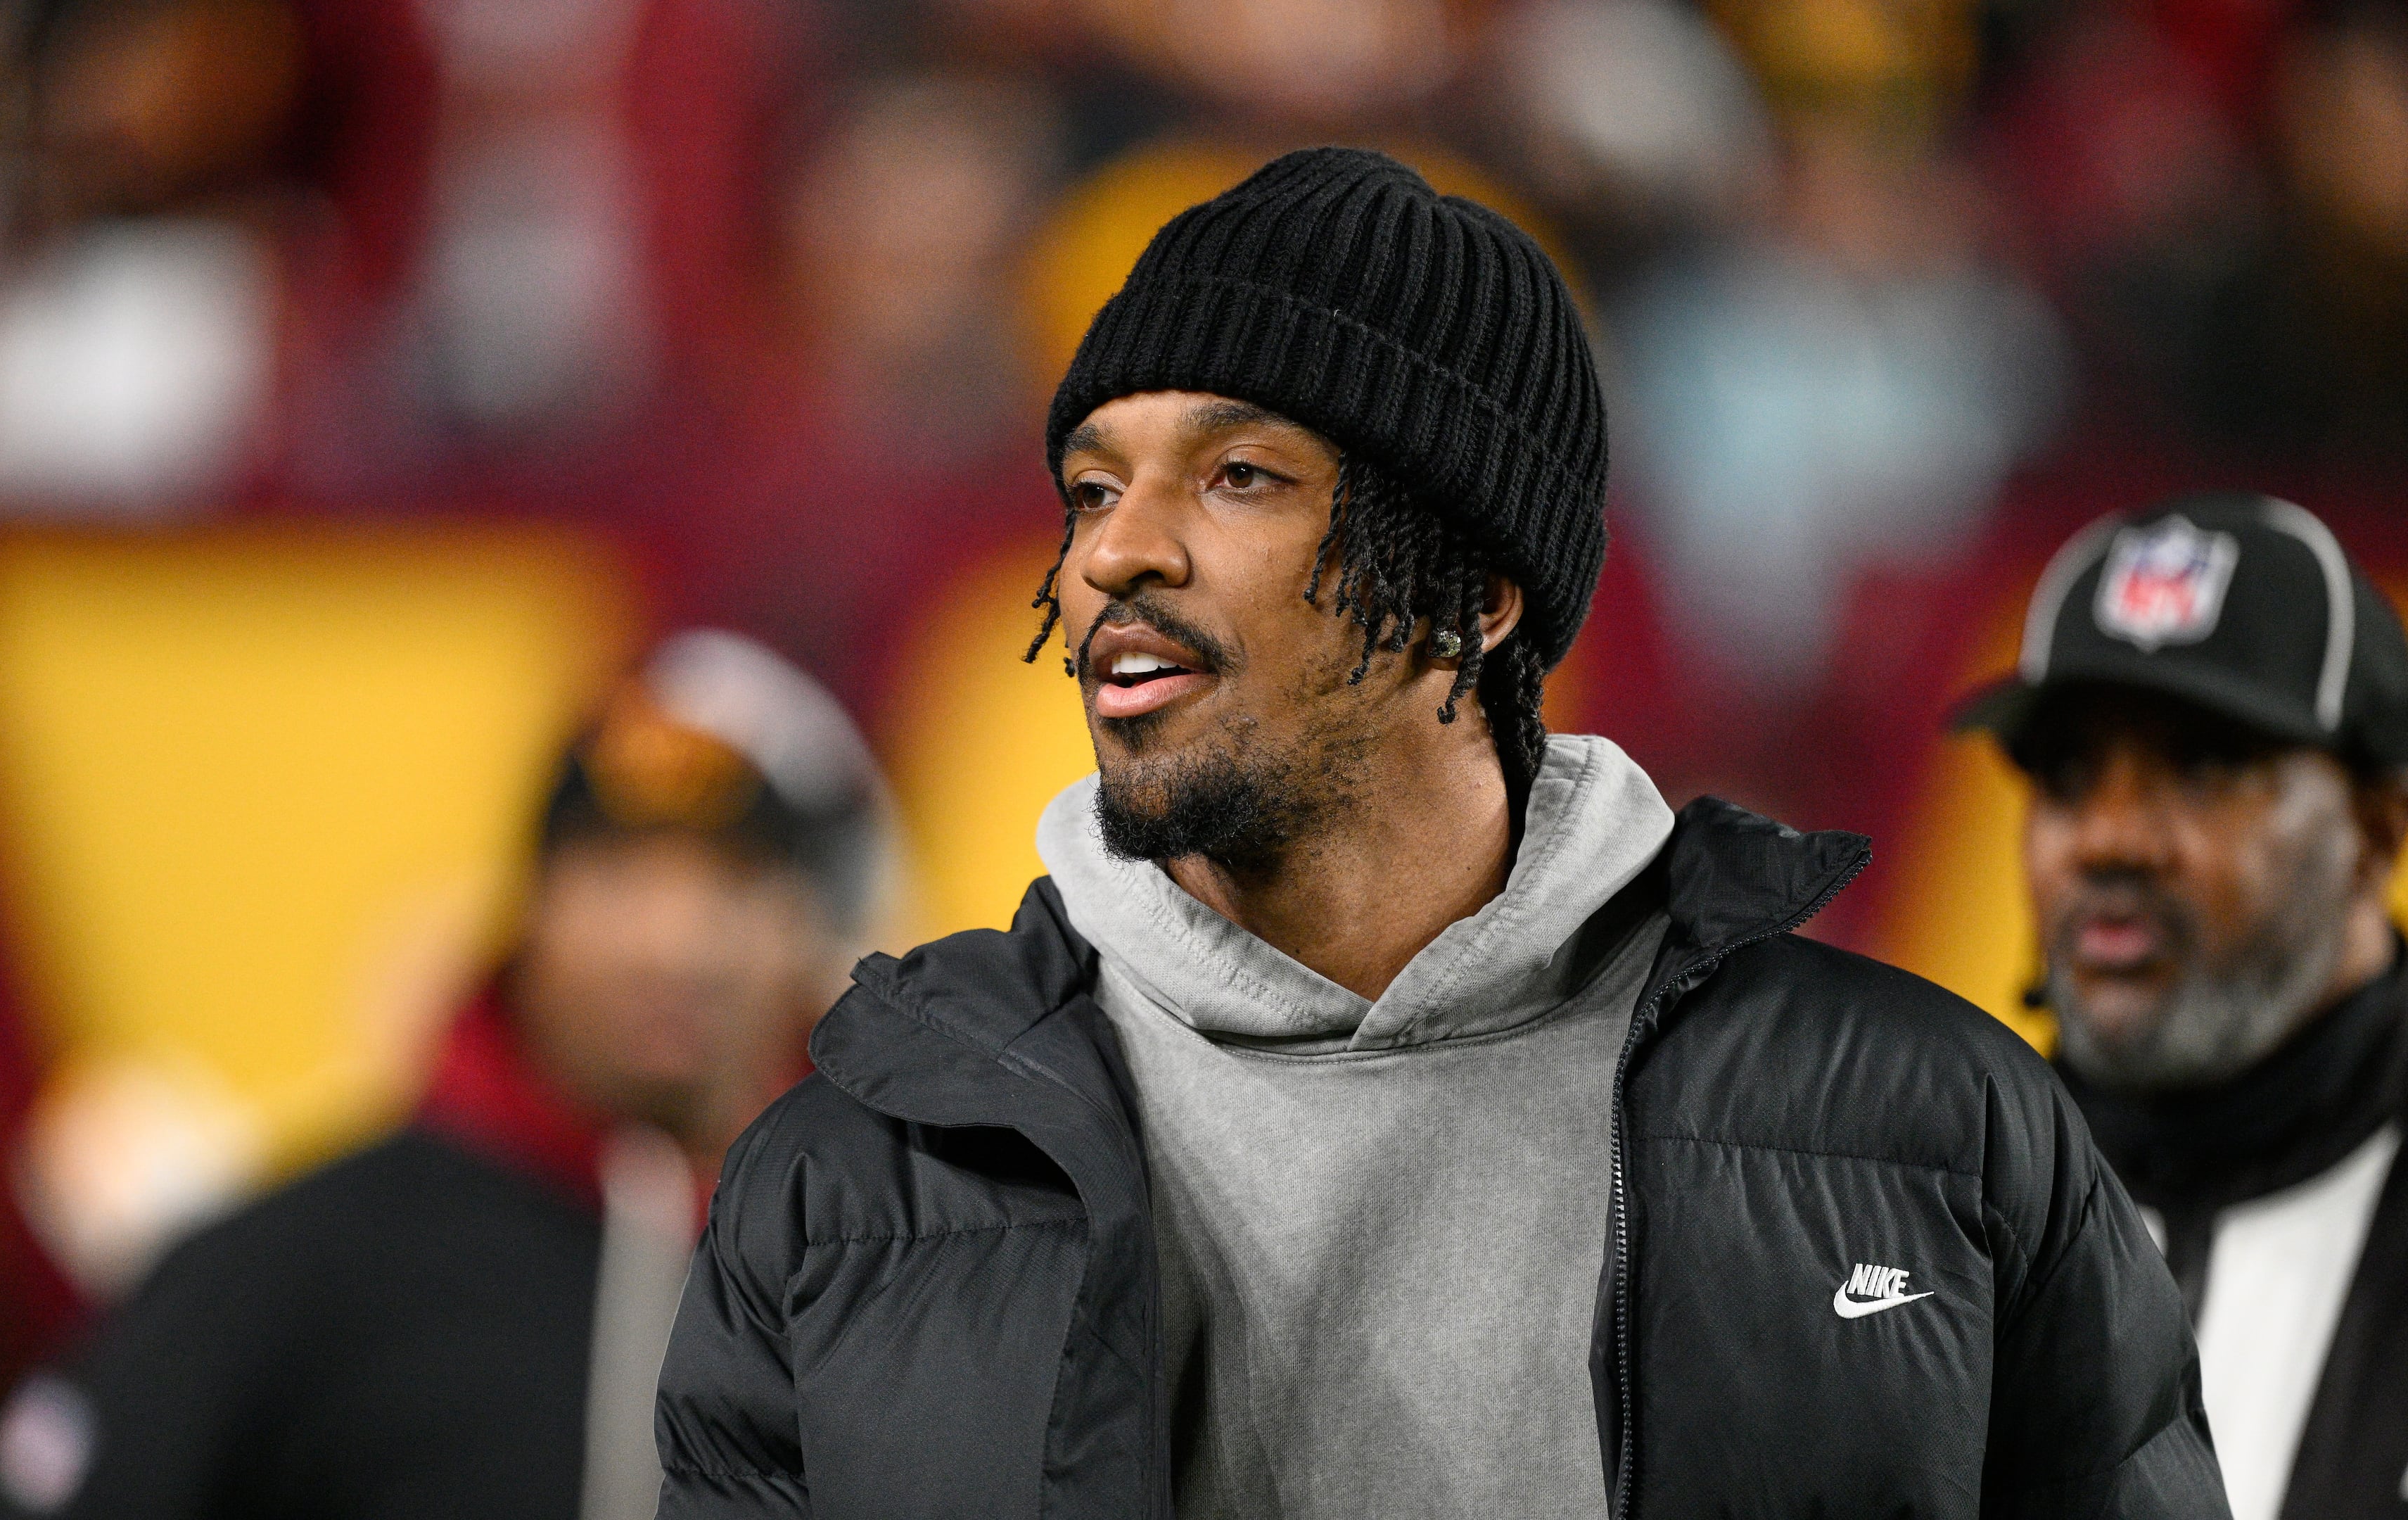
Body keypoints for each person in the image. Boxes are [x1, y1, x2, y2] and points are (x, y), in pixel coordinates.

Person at [654, 147, 2227, 1519]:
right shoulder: (843, 1190)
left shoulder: (1936, 1133)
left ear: (1472, 597)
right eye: (1091, 487)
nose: (1114, 554)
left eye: (1238, 475)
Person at [0, 631, 891, 1520]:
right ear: (530, 908)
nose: (670, 944)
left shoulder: (895, 1292)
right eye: (616, 874)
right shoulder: (299, 1261)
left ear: (815, 934)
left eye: (735, 883)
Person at [1958, 494, 2408, 1520]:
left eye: (2204, 767)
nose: (2110, 838)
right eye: (2068, 774)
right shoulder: (1928, 1207)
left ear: (2378, 830)